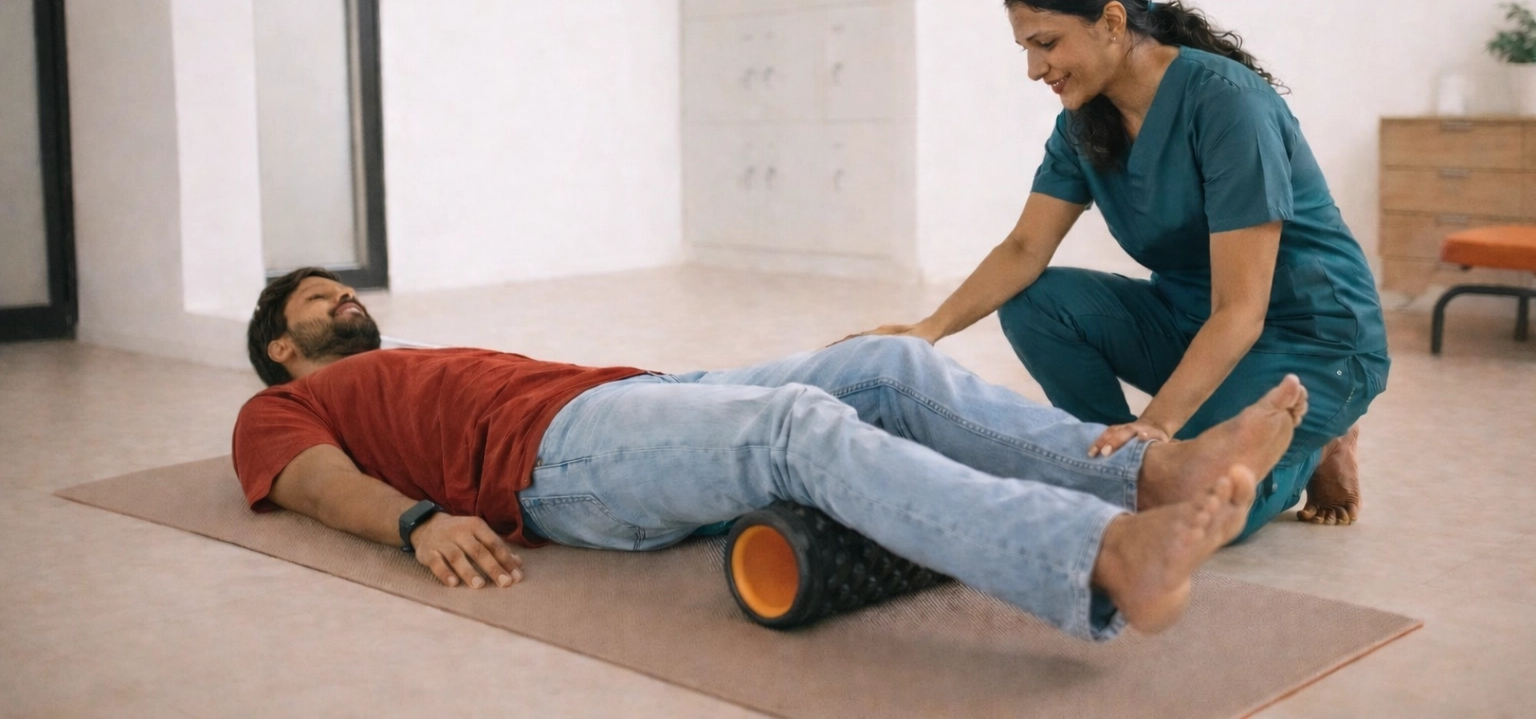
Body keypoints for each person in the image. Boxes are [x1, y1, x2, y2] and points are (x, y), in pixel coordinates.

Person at [235, 266, 1309, 643]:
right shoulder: (279, 410)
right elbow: (315, 485)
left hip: (623, 396)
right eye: (315, 297)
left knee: (887, 362)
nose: (343, 294)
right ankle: (1101, 555)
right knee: (796, 429)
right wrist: (418, 521)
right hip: (551, 461)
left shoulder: (408, 353)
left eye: (343, 285)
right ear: (282, 348)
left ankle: (1143, 470)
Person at [859, 0, 1387, 541]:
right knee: (1036, 301)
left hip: (1311, 340)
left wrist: (1159, 424)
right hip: (1195, 324)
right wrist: (931, 328)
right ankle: (1114, 466)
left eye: (1046, 43)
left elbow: (1243, 310)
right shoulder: (1085, 120)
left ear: (1112, 21)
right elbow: (1024, 250)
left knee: (1191, 504)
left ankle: (1308, 451)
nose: (1034, 69)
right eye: (1026, 48)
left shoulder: (1228, 106)